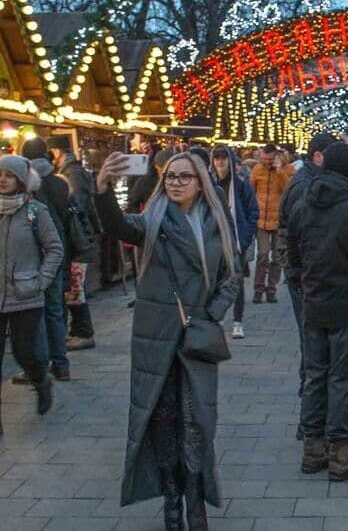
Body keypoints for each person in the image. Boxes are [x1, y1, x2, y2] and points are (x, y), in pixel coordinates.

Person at [95, 151, 240, 531]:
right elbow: (119, 227)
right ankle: (172, 508)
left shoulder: (217, 220)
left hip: (196, 337)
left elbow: (231, 274)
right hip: (156, 335)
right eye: (170, 176)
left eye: (184, 177)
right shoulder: (154, 220)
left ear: (200, 182)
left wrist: (212, 313)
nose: (175, 183)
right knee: (161, 419)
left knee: (196, 422)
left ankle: (197, 505)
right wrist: (103, 190)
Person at [287, 143, 348, 481]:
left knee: (315, 376)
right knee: (343, 378)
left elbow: (293, 258)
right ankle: (341, 454)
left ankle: (313, 447)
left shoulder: (303, 206)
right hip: (347, 306)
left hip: (313, 304)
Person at [0, 155, 63, 443]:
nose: (3, 180)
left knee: (24, 351)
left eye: (10, 175)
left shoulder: (36, 212)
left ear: (22, 181)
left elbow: (54, 248)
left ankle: (40, 380)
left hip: (26, 293)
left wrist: (41, 281)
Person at [278, 132, 339, 417]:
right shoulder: (306, 187)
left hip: (302, 274)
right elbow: (303, 237)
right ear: (318, 157)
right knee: (313, 350)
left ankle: (313, 422)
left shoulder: (307, 182)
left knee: (312, 347)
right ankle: (311, 423)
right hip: (305, 277)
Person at [12, 137, 72, 384]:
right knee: (55, 311)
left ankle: (36, 368)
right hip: (57, 251)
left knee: (34, 314)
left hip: (34, 255)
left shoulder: (26, 184)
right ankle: (61, 365)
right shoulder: (59, 182)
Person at [48, 135, 101, 351]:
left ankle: (83, 332)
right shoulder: (72, 172)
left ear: (57, 153)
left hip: (79, 240)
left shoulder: (73, 175)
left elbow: (78, 205)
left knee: (75, 287)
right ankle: (78, 330)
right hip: (79, 239)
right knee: (73, 287)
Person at [212, 146, 259, 339]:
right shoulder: (208, 184)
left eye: (223, 158)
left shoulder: (240, 185)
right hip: (214, 240)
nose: (220, 162)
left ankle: (237, 321)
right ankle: (218, 316)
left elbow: (252, 211)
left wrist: (246, 236)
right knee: (216, 281)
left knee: (237, 282)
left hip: (236, 241)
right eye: (217, 158)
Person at [251, 144, 290, 304]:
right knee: (262, 256)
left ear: (276, 157)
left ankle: (271, 290)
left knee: (276, 258)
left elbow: (287, 190)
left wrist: (279, 171)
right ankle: (258, 290)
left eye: (270, 159)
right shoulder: (257, 170)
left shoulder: (285, 170)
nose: (267, 162)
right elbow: (251, 191)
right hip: (261, 220)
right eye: (264, 159)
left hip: (278, 220)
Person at [128, 149, 174, 213]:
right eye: (162, 169)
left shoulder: (177, 179)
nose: (165, 172)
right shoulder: (144, 181)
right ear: (156, 166)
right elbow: (133, 202)